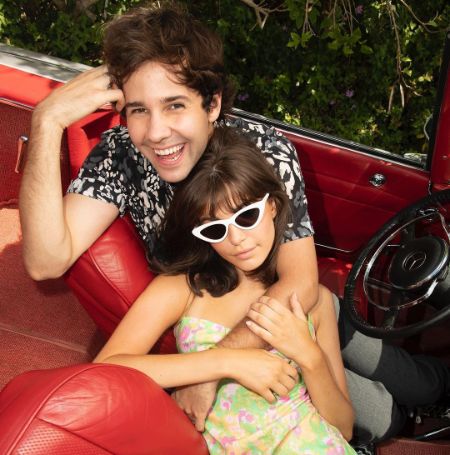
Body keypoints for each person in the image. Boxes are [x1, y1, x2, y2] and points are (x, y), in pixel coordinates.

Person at [18, 1, 448, 446]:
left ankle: (435, 385)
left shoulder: (264, 150)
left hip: (292, 307)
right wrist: (46, 121)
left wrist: (214, 367)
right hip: (220, 317)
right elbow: (45, 262)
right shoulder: (121, 154)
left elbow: (299, 282)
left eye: (175, 105)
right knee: (377, 420)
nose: (157, 132)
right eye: (139, 109)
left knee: (413, 373)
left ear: (213, 104)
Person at [94, 126, 356, 453]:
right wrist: (227, 362)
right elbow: (108, 368)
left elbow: (344, 427)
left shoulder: (309, 302)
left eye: (246, 217)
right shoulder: (184, 289)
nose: (236, 239)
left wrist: (310, 356)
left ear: (273, 206)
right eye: (216, 229)